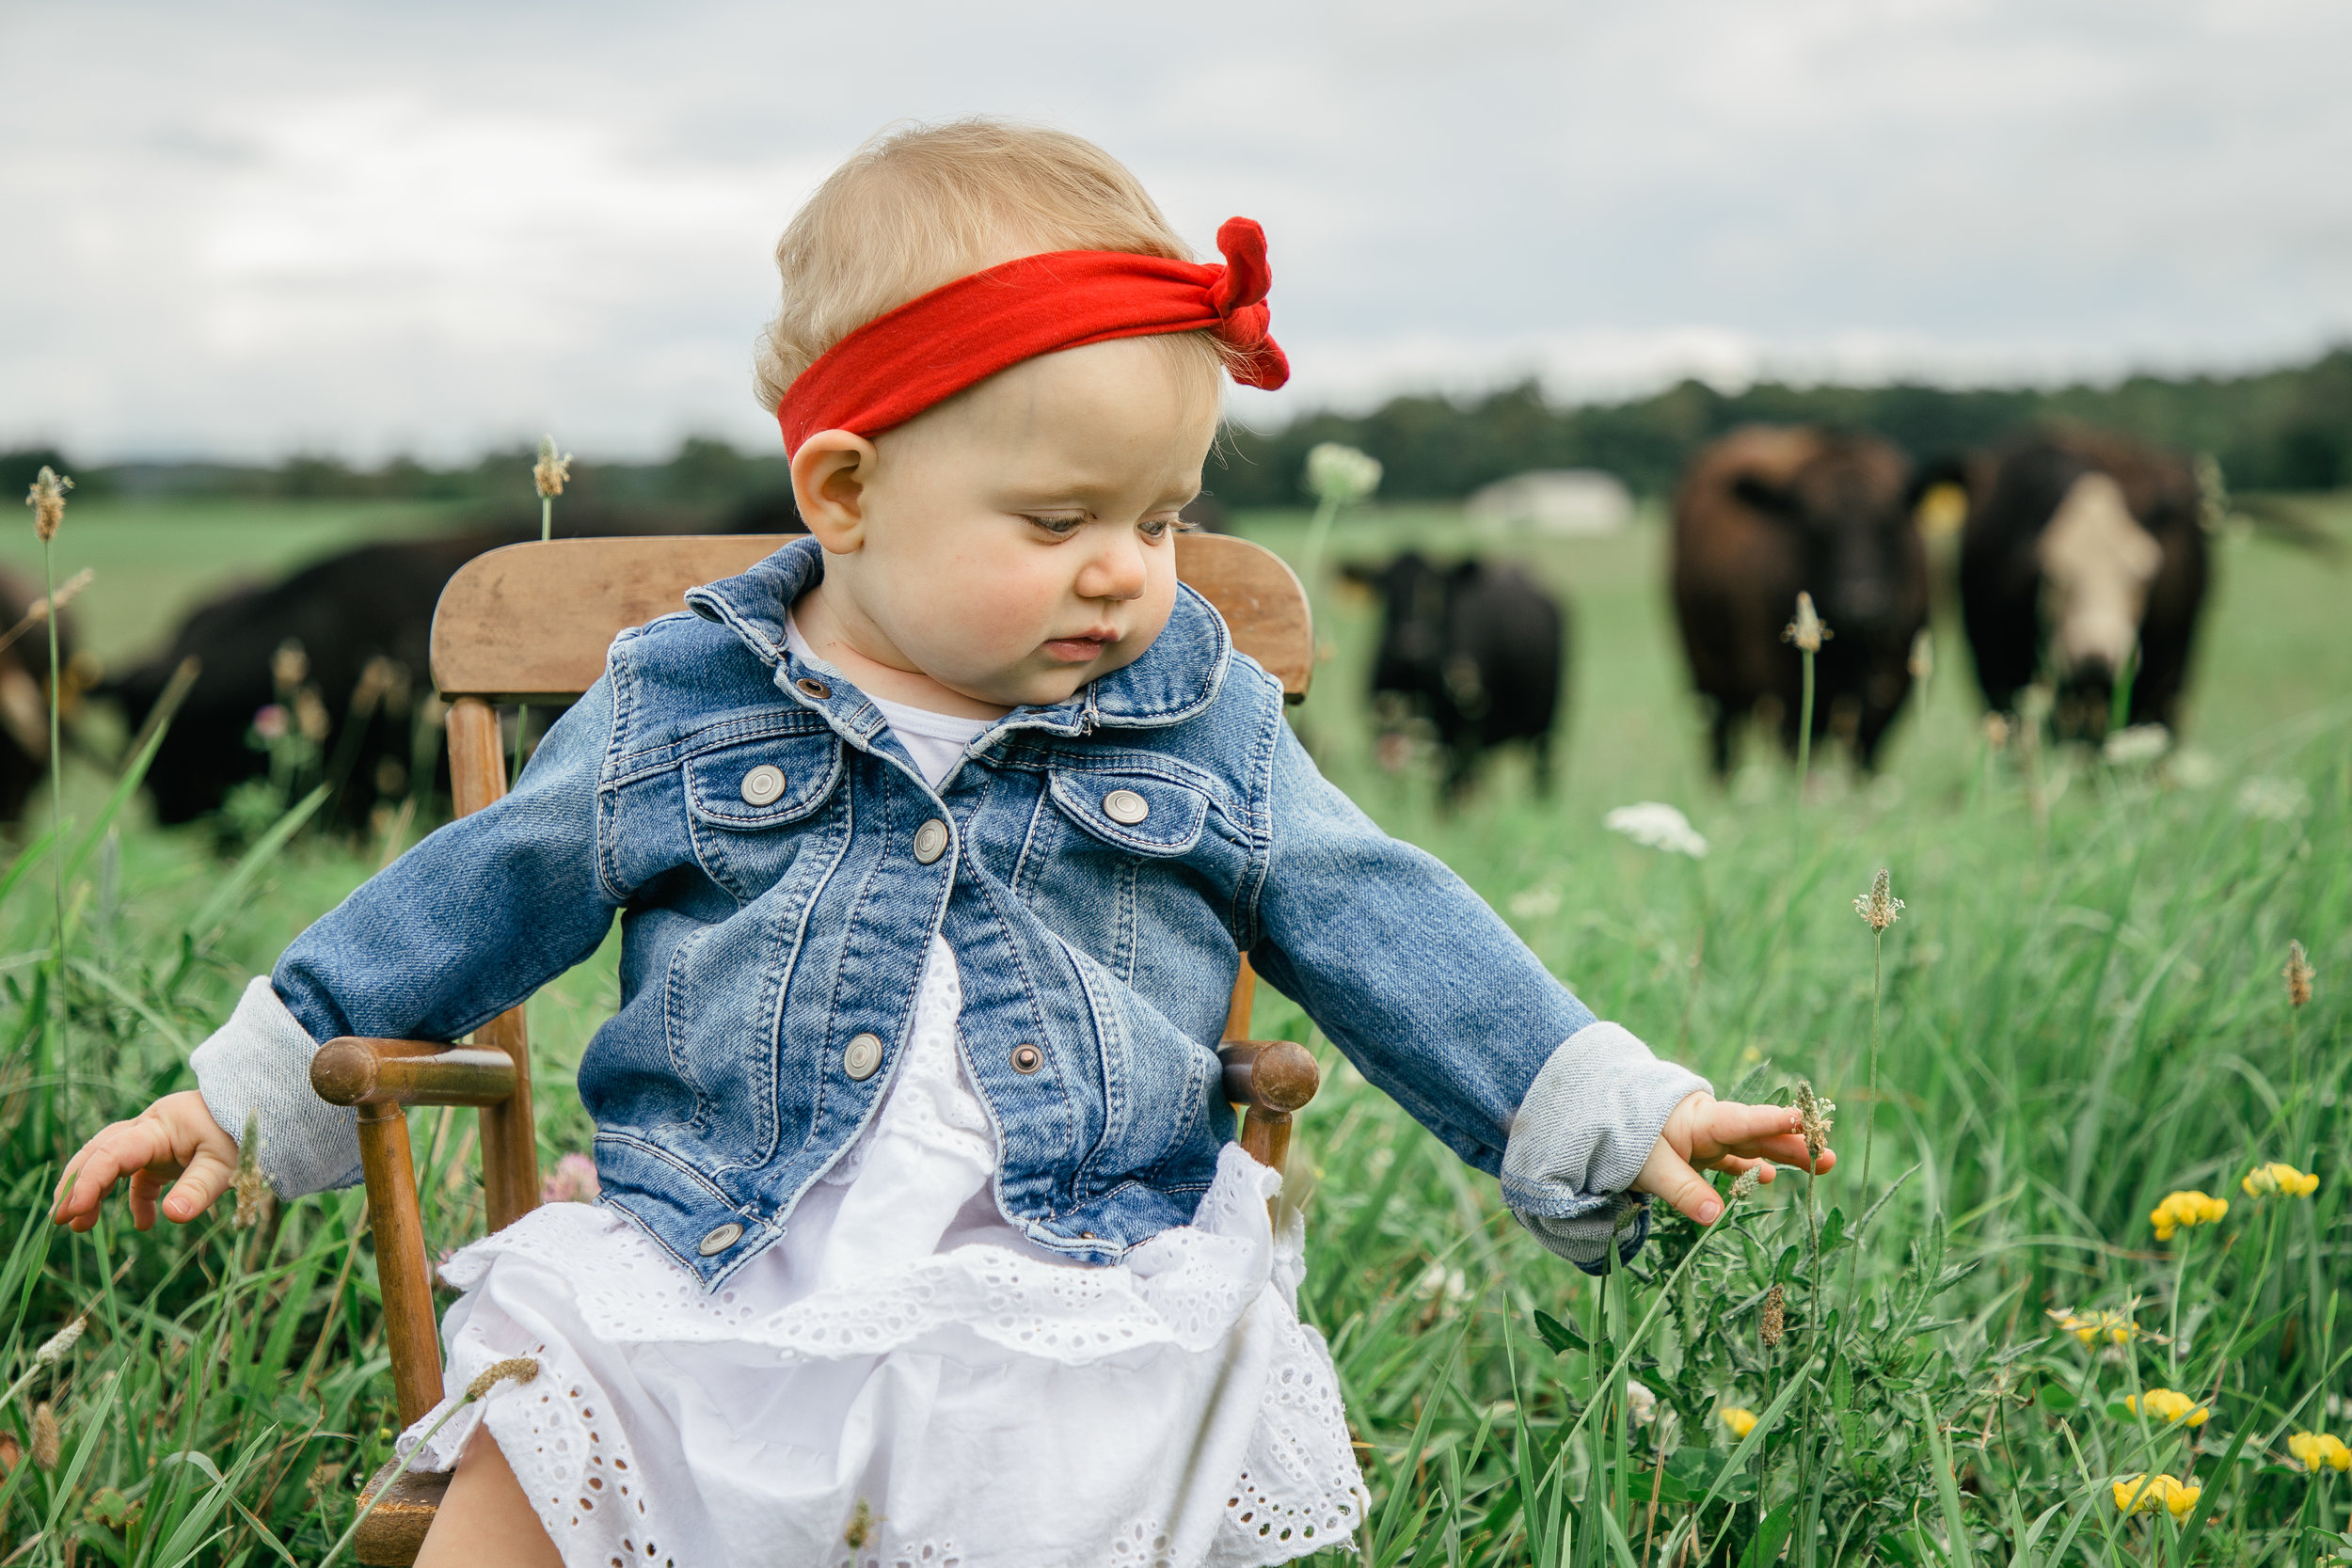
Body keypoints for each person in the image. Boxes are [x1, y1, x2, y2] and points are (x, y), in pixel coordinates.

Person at [50, 119, 1834, 1568]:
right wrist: (240, 1097)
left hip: (1073, 1273)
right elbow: (480, 887)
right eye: (1061, 518)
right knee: (548, 1436)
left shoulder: (1185, 706)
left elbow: (1375, 917)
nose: (1131, 566)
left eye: (1166, 513)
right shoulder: (691, 699)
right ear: (845, 493)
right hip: (708, 1258)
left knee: (1090, 1447)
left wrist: (1615, 1107)